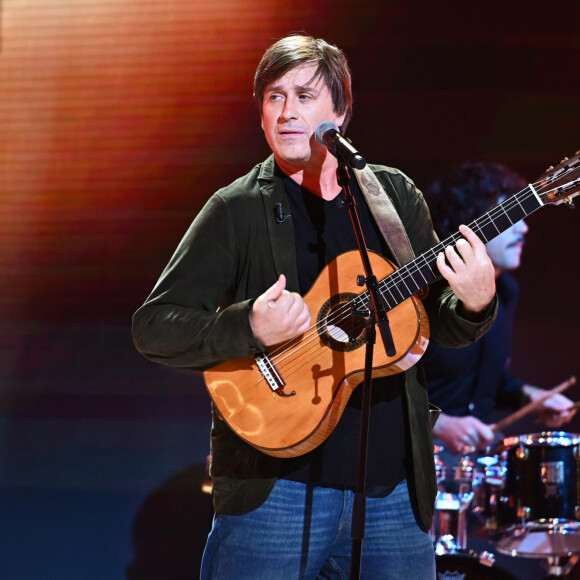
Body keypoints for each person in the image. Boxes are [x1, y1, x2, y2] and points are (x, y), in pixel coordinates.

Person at [132, 34, 498, 579]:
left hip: (391, 494)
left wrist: (475, 302)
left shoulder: (392, 197)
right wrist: (249, 325)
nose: (285, 113)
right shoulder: (237, 209)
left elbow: (431, 322)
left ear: (341, 113)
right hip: (274, 491)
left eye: (304, 97)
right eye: (274, 98)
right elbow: (154, 327)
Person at [422, 161, 575, 457]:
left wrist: (530, 396)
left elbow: (483, 376)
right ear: (471, 224)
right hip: (417, 459)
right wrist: (438, 424)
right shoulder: (428, 296)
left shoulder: (506, 290)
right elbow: (383, 388)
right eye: (512, 219)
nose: (525, 228)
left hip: (473, 459)